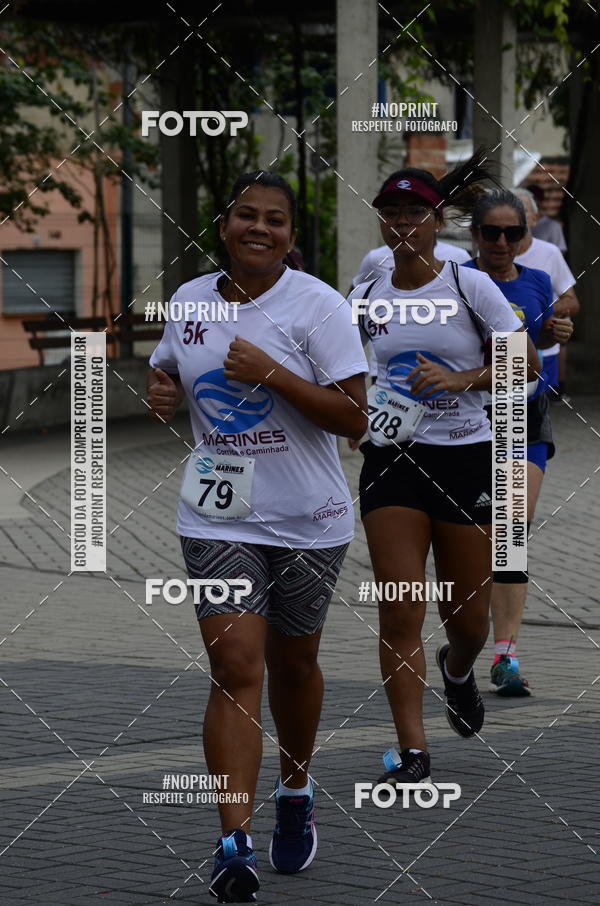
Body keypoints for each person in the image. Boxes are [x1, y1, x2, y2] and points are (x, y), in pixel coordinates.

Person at [147, 171, 368, 903]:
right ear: (223, 224)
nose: (260, 228)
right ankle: (232, 844)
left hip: (309, 517)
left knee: (295, 663)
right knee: (236, 666)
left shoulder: (318, 306)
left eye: (276, 220)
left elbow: (352, 417)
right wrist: (162, 388)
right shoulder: (188, 301)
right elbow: (171, 366)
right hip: (218, 513)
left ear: (290, 238)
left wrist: (272, 372)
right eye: (248, 215)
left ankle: (296, 789)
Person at [350, 154, 540, 788]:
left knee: (469, 622)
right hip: (392, 460)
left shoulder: (468, 284)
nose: (403, 222)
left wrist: (462, 378)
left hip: (465, 457)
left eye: (416, 213)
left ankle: (458, 671)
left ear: (437, 221)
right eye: (393, 212)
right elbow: (339, 363)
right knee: (400, 608)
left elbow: (529, 365)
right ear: (382, 221)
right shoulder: (368, 288)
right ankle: (413, 754)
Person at [464, 189, 574, 696]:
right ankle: (464, 643)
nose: (503, 242)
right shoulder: (456, 283)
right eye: (492, 232)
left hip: (525, 414)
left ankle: (505, 654)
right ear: (475, 235)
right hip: (470, 419)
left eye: (514, 233)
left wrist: (559, 329)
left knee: (511, 529)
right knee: (476, 540)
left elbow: (546, 340)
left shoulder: (537, 280)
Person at [513, 187, 579, 401]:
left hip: (542, 349)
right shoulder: (489, 252)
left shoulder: (549, 252)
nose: (517, 216)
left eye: (522, 210)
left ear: (535, 219)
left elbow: (572, 302)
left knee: (539, 414)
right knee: (505, 414)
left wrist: (540, 312)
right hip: (504, 349)